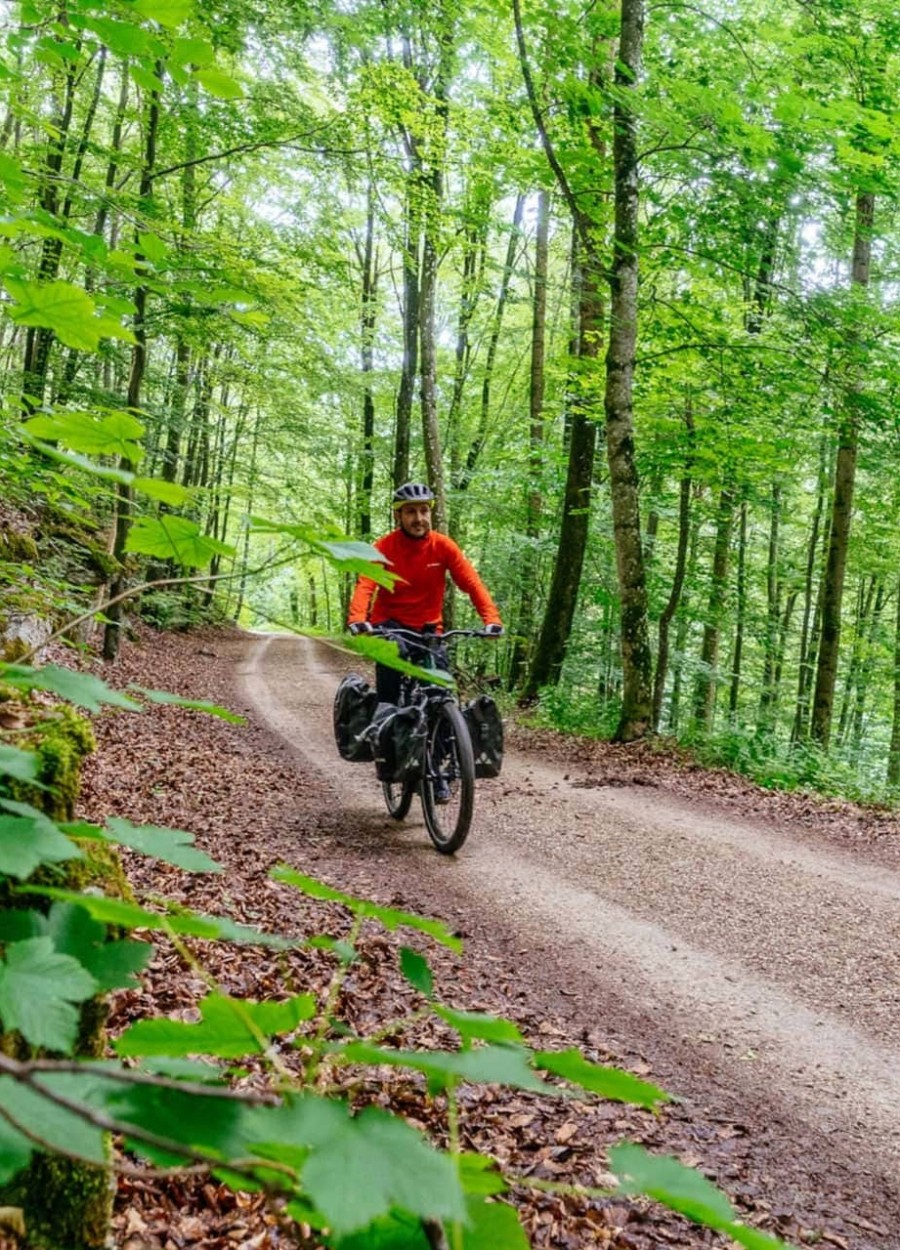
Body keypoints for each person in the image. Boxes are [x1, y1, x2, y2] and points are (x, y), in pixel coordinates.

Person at [347, 482, 503, 704]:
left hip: (429, 629)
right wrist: (358, 619)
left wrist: (492, 619)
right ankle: (385, 714)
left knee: (440, 692)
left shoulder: (443, 546)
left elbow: (472, 583)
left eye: (424, 510)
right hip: (389, 624)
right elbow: (365, 585)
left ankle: (442, 733)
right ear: (398, 515)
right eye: (411, 511)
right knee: (392, 657)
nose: (419, 518)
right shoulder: (383, 547)